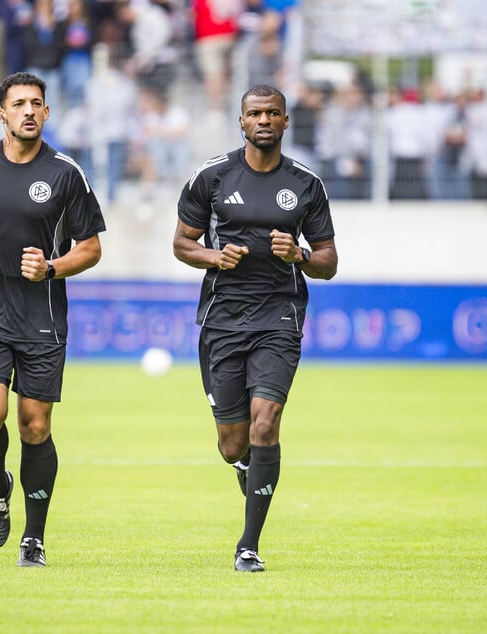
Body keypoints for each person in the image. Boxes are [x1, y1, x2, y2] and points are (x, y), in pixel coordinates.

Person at [0, 72, 106, 567]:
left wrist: (51, 266)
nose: (28, 111)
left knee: (35, 426)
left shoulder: (65, 173)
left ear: (47, 113)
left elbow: (91, 247)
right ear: (2, 114)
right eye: (19, 104)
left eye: (37, 103)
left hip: (42, 318)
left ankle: (34, 538)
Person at [172, 84, 337, 572]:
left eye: (273, 113)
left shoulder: (306, 183)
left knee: (267, 420)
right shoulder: (212, 176)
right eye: (254, 113)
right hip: (222, 319)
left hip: (279, 317)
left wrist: (301, 255)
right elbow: (182, 243)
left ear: (286, 122)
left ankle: (249, 545)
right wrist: (213, 256)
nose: (263, 120)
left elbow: (328, 260)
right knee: (232, 443)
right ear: (241, 121)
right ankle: (245, 464)